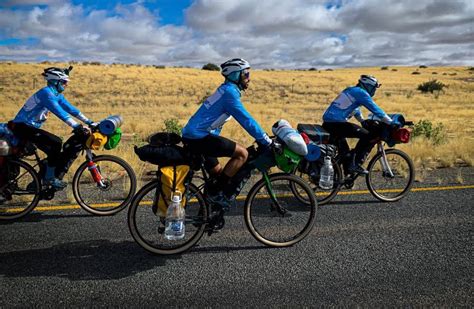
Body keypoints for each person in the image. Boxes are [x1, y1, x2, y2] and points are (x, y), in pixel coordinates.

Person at [182, 58, 272, 209]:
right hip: (199, 137)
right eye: (246, 74)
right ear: (236, 75)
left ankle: (208, 210)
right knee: (242, 154)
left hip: (195, 135)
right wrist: (265, 140)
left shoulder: (225, 89)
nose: (249, 78)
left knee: (218, 174)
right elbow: (246, 120)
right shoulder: (229, 94)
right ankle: (216, 196)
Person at [9, 66, 95, 190]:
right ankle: (49, 179)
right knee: (56, 143)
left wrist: (89, 122)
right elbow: (59, 112)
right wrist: (76, 126)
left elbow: (70, 109)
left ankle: (41, 178)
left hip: (29, 128)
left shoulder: (55, 94)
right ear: (56, 81)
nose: (66, 85)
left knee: (53, 148)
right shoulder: (46, 93)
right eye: (64, 82)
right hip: (22, 127)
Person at [322, 75, 394, 175]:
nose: (374, 91)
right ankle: (355, 165)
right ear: (368, 86)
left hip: (328, 124)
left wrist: (362, 121)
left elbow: (354, 108)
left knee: (345, 153)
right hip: (337, 124)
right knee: (368, 135)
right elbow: (375, 109)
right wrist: (391, 122)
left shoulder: (351, 90)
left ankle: (344, 177)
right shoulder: (361, 93)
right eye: (374, 88)